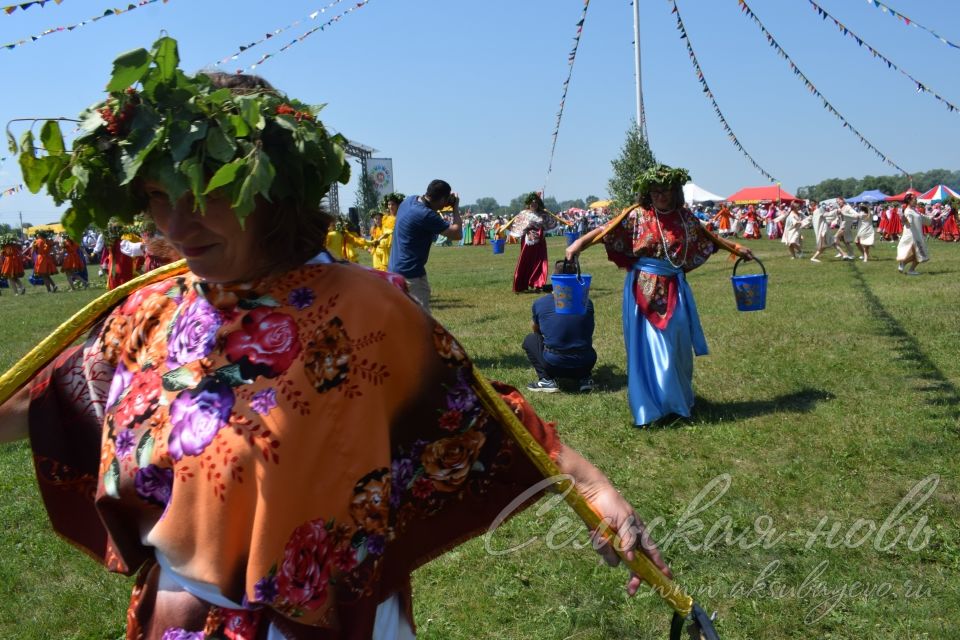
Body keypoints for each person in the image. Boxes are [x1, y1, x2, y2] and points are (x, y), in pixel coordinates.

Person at [0, 46, 670, 639]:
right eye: (155, 196)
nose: (176, 223)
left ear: (270, 188)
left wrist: (598, 493)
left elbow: (480, 418)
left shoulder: (365, 310)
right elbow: (47, 399)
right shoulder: (150, 309)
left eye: (203, 193)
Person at [565, 164, 753, 427]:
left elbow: (708, 237)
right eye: (655, 192)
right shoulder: (637, 215)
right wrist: (577, 245)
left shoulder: (686, 218)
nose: (660, 196)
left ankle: (678, 403)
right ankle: (651, 409)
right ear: (648, 193)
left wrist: (737, 247)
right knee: (648, 348)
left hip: (676, 287)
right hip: (642, 288)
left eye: (666, 191)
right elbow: (605, 231)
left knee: (677, 345)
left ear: (676, 192)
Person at [388, 180, 463, 312]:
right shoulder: (425, 214)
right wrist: (455, 207)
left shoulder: (409, 201)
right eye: (446, 199)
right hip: (411, 274)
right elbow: (457, 234)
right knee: (421, 321)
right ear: (442, 200)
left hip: (395, 269)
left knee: (401, 317)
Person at [523, 260, 597, 394]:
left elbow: (536, 330)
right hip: (585, 363)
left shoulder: (540, 303)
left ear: (554, 278)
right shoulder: (586, 302)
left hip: (554, 364)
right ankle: (585, 379)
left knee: (530, 340)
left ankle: (546, 380)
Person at [510, 192, 559, 293]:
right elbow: (518, 225)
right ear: (528, 203)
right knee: (525, 261)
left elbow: (551, 223)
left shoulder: (543, 213)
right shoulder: (523, 213)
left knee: (540, 261)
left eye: (536, 203)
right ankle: (521, 284)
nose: (534, 204)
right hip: (527, 242)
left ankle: (538, 283)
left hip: (540, 241)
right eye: (532, 203)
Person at [897, 192, 934, 275]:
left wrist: (931, 219)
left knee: (920, 254)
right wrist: (906, 221)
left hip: (917, 235)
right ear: (909, 201)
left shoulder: (914, 210)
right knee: (920, 254)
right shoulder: (908, 211)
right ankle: (907, 267)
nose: (916, 201)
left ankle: (908, 268)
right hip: (912, 236)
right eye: (914, 199)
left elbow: (922, 217)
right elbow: (907, 221)